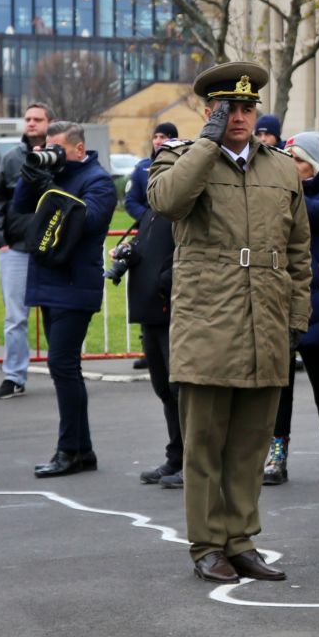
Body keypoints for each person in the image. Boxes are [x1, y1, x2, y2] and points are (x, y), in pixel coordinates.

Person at [149, 61, 312, 584]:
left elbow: (299, 251)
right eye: (226, 109)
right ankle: (206, 545)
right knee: (204, 443)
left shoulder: (282, 167)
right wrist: (207, 142)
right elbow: (169, 202)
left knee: (250, 442)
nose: (237, 117)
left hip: (265, 319)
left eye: (245, 108)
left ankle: (241, 541)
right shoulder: (180, 159)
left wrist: (296, 317)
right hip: (208, 320)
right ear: (207, 110)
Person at [13, 122, 118, 478]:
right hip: (48, 280)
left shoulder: (98, 180)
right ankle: (81, 450)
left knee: (62, 365)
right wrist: (31, 177)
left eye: (56, 148)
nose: (51, 154)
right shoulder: (52, 173)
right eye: (47, 147)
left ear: (77, 149)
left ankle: (69, 450)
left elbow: (84, 222)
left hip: (75, 285)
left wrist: (51, 188)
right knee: (64, 368)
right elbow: (20, 209)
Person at [265, 131, 319, 485]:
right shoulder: (278, 194)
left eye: (298, 160)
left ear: (312, 164)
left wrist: (284, 190)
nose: (291, 166)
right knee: (278, 380)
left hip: (315, 295)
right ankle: (277, 451)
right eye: (287, 160)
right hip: (277, 293)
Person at [0, 102, 51, 400]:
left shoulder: (59, 158)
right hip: (15, 248)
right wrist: (0, 240)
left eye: (37, 119)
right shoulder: (12, 159)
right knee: (15, 318)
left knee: (56, 313)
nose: (31, 123)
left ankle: (66, 369)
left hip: (52, 248)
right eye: (27, 119)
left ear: (49, 123)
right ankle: (14, 376)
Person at [122, 188, 181, 489]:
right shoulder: (150, 213)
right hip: (150, 311)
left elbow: (188, 253)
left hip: (172, 311)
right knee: (164, 389)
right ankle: (177, 457)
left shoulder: (181, 211)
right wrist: (127, 254)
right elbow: (144, 248)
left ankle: (193, 462)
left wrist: (163, 282)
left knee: (180, 388)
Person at [124, 122, 177, 372]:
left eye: (163, 136)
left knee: (173, 377)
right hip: (147, 229)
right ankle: (147, 347)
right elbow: (131, 200)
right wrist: (148, 217)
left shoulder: (180, 169)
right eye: (155, 136)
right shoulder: (141, 168)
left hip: (168, 240)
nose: (158, 140)